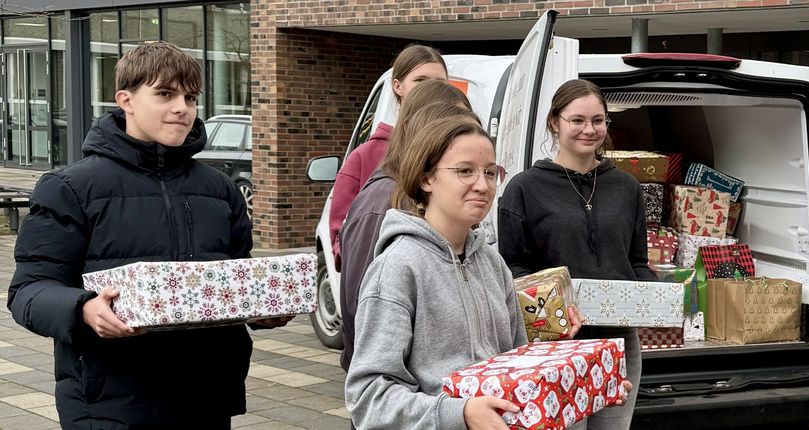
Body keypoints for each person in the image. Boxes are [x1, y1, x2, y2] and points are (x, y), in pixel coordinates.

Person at [7, 41, 287, 427]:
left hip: (206, 398)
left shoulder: (220, 190)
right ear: (126, 100)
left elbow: (234, 280)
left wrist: (263, 307)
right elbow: (29, 291)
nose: (182, 108)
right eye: (165, 94)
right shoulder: (69, 188)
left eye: (190, 97)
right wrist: (84, 308)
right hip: (110, 402)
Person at [343, 111, 531, 429]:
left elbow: (517, 367)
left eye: (489, 172)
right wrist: (458, 414)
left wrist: (583, 387)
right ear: (426, 178)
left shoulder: (493, 264)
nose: (482, 185)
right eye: (465, 171)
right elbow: (368, 398)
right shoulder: (397, 269)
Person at [497, 79, 652, 429]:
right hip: (554, 344)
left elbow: (638, 263)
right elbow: (513, 267)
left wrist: (657, 300)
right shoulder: (524, 188)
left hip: (617, 342)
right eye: (577, 120)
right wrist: (554, 311)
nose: (589, 129)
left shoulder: (626, 187)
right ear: (555, 122)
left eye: (598, 121)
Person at [338, 80, 474, 370]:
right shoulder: (380, 203)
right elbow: (363, 313)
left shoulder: (440, 199)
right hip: (402, 400)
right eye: (448, 126)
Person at [328, 44, 448, 265]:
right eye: (420, 81)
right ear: (398, 86)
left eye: (439, 83)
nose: (430, 90)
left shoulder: (452, 150)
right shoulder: (365, 157)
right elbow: (341, 242)